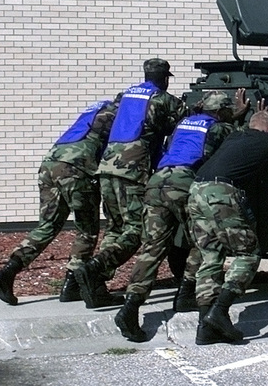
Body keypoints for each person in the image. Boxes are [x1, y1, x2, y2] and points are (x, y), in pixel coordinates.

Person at [114, 90, 239, 342]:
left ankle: (130, 306)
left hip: (157, 182)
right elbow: (235, 141)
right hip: (183, 183)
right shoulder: (217, 128)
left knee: (153, 247)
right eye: (226, 110)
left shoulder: (183, 124)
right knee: (201, 241)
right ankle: (186, 293)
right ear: (219, 112)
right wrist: (238, 118)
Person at [74, 58, 187, 309]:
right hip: (133, 171)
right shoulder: (164, 100)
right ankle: (95, 269)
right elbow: (184, 124)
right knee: (136, 231)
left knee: (115, 227)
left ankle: (96, 286)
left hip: (107, 167)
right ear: (165, 78)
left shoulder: (124, 96)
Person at [0, 98, 119, 306]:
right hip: (76, 169)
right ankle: (72, 283)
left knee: (48, 226)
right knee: (87, 230)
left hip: (50, 164)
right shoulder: (117, 114)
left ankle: (8, 271)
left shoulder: (96, 109)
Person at [187, 109, 268, 345]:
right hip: (222, 193)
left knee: (210, 256)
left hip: (197, 190)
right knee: (248, 254)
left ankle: (204, 327)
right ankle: (219, 311)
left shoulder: (234, 136)